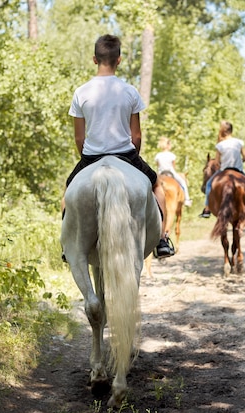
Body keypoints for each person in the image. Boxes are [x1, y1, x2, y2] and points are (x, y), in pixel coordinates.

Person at [66, 34, 174, 258]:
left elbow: (79, 138)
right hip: (126, 155)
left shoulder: (81, 92)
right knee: (157, 188)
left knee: (69, 192)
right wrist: (133, 160)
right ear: (120, 60)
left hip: (91, 158)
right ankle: (162, 240)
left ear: (94, 59)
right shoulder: (130, 91)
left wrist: (87, 157)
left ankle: (69, 246)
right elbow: (136, 135)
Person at [199, 120, 245, 221]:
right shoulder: (239, 142)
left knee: (209, 184)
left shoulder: (220, 145)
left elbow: (216, 163)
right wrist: (240, 161)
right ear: (231, 131)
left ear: (223, 132)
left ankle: (207, 208)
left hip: (224, 170)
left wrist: (223, 163)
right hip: (238, 170)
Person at [154, 136, 192, 207]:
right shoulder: (172, 155)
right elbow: (173, 166)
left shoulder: (158, 155)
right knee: (183, 182)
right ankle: (187, 199)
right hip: (171, 172)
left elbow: (158, 166)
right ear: (168, 145)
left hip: (161, 173)